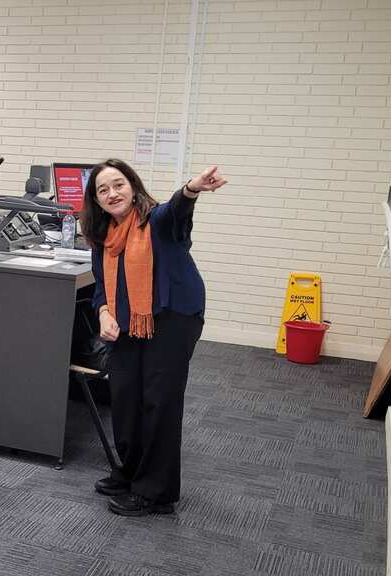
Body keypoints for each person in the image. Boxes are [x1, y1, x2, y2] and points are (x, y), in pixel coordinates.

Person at [83, 159, 227, 517]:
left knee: (159, 401)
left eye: (118, 185)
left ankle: (156, 491)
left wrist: (191, 189)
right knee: (125, 394)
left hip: (174, 317)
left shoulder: (157, 221)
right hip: (128, 322)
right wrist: (103, 312)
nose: (112, 193)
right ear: (96, 200)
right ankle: (131, 470)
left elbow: (177, 210)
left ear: (133, 187)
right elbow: (102, 288)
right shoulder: (104, 239)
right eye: (103, 190)